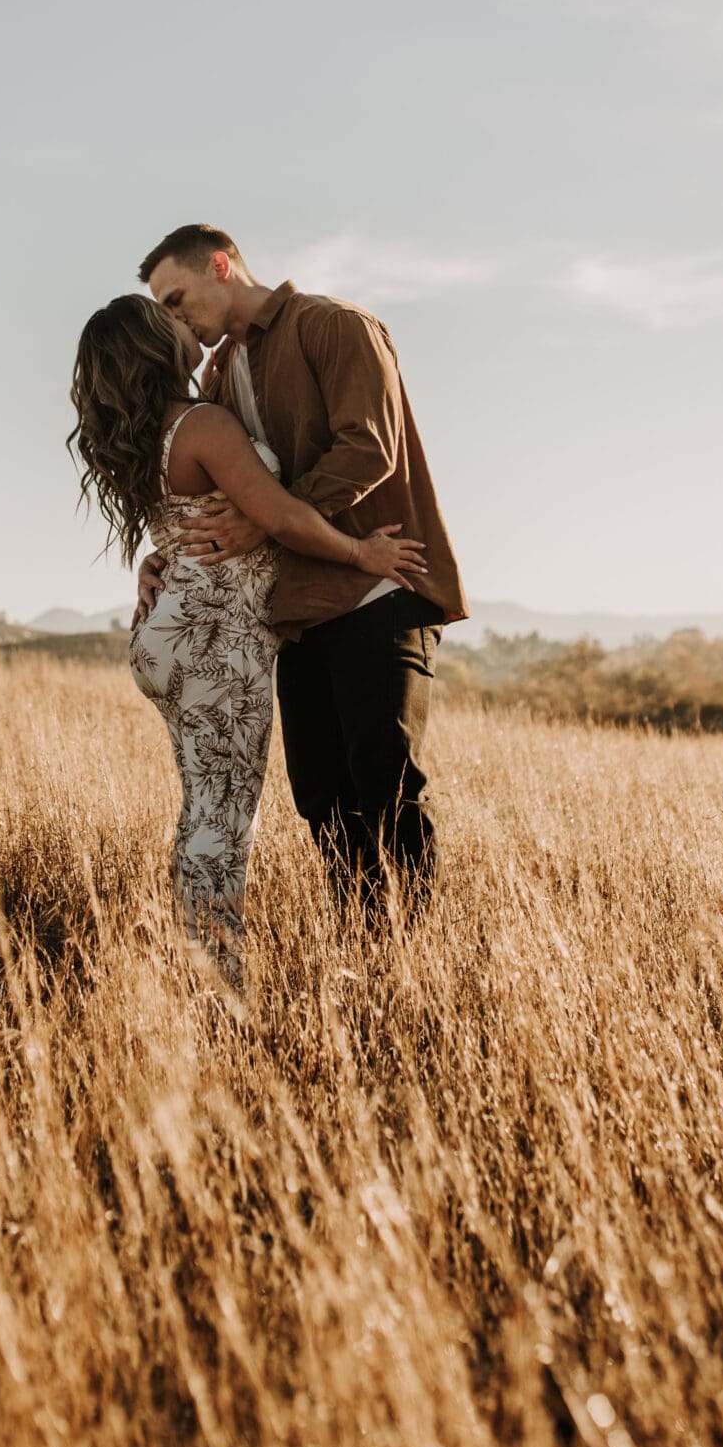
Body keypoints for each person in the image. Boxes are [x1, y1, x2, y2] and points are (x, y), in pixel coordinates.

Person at [69, 294, 427, 987]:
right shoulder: (201, 423)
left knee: (203, 805)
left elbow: (176, 524)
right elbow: (280, 517)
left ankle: (196, 958)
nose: (181, 324)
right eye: (166, 318)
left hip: (165, 633)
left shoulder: (149, 431)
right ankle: (213, 978)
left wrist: (154, 561)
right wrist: (360, 556)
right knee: (222, 817)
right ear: (152, 346)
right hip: (215, 643)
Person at [134, 225, 466, 919]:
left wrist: (270, 518)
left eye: (176, 299)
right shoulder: (219, 375)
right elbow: (223, 488)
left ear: (220, 266)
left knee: (386, 777)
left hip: (375, 584)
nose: (176, 320)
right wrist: (163, 552)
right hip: (292, 607)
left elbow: (367, 446)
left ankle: (422, 956)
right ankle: (363, 942)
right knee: (321, 795)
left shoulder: (334, 324)